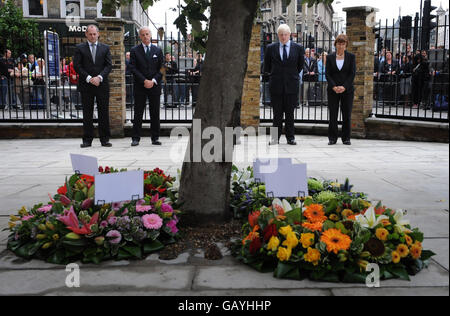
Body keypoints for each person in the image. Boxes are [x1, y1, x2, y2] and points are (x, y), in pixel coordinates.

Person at [263, 24, 305, 145]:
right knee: (277, 113)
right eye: (281, 34)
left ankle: (290, 137)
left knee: (290, 113)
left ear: (290, 35)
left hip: (291, 85)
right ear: (278, 35)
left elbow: (300, 66)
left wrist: (291, 76)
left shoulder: (298, 48)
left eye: (285, 34)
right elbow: (267, 66)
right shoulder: (271, 48)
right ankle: (275, 138)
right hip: (276, 85)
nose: (283, 37)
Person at [73, 24, 113, 148]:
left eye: (94, 34)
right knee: (87, 113)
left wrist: (99, 77)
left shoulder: (105, 48)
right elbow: (77, 66)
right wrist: (89, 78)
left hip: (102, 85)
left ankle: (105, 139)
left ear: (98, 34)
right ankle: (87, 140)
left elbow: (108, 66)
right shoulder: (80, 48)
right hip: (86, 85)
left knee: (103, 113)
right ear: (86, 34)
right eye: (90, 34)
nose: (92, 36)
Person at [128, 26, 164, 147]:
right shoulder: (134, 50)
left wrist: (153, 80)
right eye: (143, 34)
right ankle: (135, 138)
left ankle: (155, 137)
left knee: (155, 112)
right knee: (138, 112)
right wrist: (144, 80)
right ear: (140, 37)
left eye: (147, 34)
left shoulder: (157, 50)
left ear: (151, 35)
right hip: (140, 85)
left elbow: (162, 68)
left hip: (154, 86)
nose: (145, 36)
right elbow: (132, 67)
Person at [325, 34, 356, 146]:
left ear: (346, 45)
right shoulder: (329, 57)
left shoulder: (351, 57)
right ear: (335, 44)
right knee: (333, 114)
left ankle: (346, 138)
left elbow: (352, 74)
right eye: (339, 43)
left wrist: (344, 87)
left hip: (347, 91)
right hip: (332, 90)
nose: (341, 46)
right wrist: (334, 86)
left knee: (346, 114)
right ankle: (332, 138)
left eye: (343, 44)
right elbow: (327, 74)